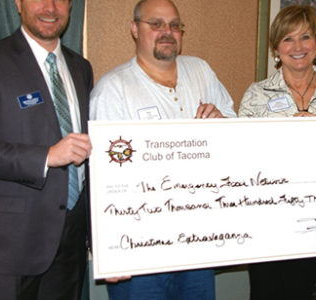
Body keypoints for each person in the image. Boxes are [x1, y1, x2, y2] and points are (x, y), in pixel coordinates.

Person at [0, 0, 93, 299]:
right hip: (12, 243)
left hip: (72, 240)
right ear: (18, 3)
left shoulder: (81, 67)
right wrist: (46, 156)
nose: (50, 8)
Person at [90, 0, 236, 299]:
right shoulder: (113, 89)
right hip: (141, 245)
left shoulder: (201, 71)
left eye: (174, 25)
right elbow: (104, 178)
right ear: (134, 29)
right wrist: (111, 247)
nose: (166, 32)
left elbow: (235, 133)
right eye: (155, 24)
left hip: (199, 237)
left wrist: (222, 122)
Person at [238, 5, 316, 300]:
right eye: (288, 39)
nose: (298, 47)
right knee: (264, 293)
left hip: (315, 217)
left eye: (305, 37)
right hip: (267, 218)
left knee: (300, 292)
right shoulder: (256, 95)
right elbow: (243, 161)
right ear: (276, 48)